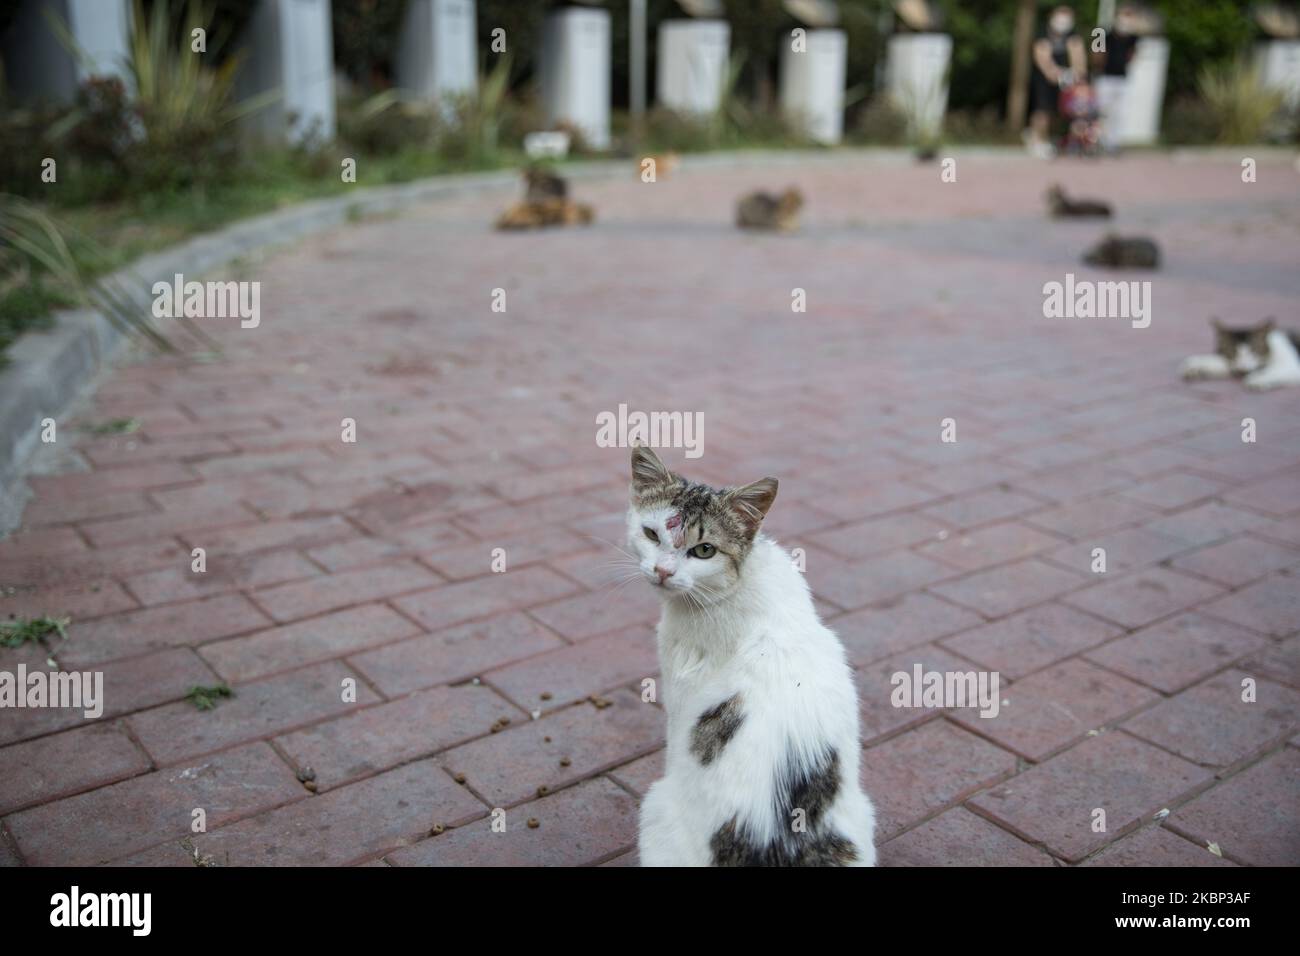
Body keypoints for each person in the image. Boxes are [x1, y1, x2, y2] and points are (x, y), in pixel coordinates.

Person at [1026, 5, 1088, 159]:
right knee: (1043, 111)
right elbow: (1043, 60)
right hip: (1044, 79)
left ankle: (1071, 142)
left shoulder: (1073, 36)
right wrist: (1058, 74)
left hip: (1067, 79)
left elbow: (1079, 58)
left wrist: (1076, 74)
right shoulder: (1043, 34)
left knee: (1067, 111)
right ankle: (1036, 140)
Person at [1093, 3, 1140, 152]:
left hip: (1122, 79)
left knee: (1119, 113)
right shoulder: (1101, 33)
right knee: (1100, 111)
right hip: (1104, 78)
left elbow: (1132, 55)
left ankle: (1112, 143)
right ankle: (1096, 139)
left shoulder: (1133, 38)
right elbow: (1096, 56)